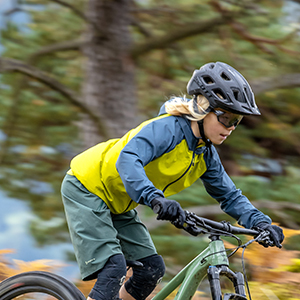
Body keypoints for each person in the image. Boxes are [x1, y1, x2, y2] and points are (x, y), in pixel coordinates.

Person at [61, 62, 284, 300]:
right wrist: (154, 197)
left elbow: (229, 196)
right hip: (87, 187)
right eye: (226, 118)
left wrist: (261, 223)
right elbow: (128, 159)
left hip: (120, 202)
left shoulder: (204, 153)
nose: (230, 128)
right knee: (113, 268)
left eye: (236, 121)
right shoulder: (167, 129)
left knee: (151, 269)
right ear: (203, 108)